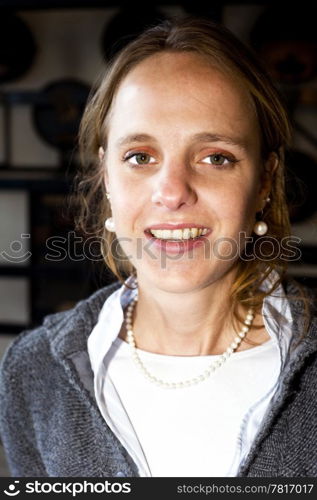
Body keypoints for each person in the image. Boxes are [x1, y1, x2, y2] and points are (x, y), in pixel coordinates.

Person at [0, 17, 316, 478]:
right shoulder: (33, 372)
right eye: (140, 157)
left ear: (265, 181)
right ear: (107, 175)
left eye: (215, 157)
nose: (172, 192)